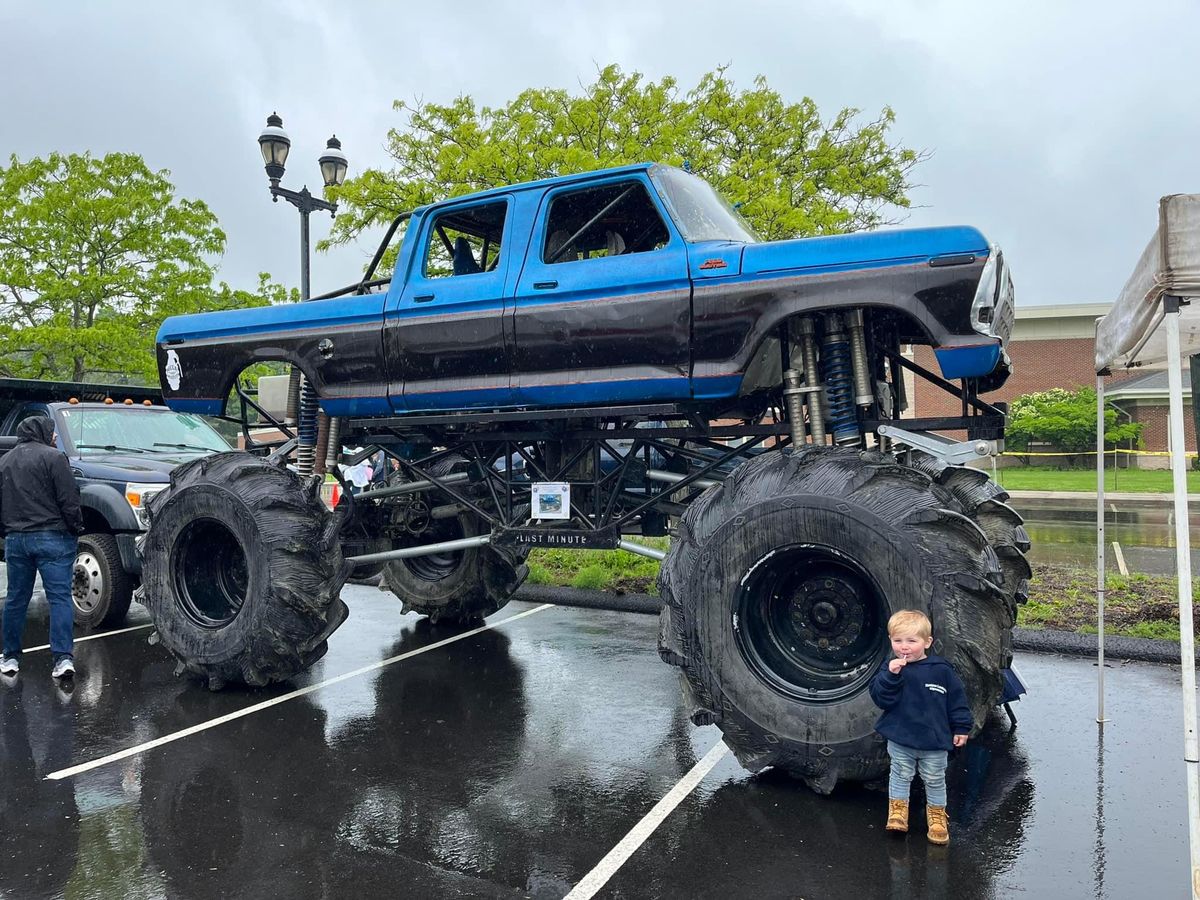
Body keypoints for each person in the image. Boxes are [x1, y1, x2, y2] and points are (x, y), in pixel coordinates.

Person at [868, 609, 972, 845]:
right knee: (900, 774)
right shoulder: (891, 668)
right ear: (891, 641)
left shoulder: (941, 671)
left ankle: (936, 817)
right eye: (898, 641)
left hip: (933, 741)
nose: (904, 647)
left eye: (912, 641)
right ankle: (897, 812)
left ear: (927, 642)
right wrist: (890, 677)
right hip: (901, 737)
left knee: (934, 778)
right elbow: (880, 698)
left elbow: (957, 702)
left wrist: (961, 728)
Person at [0, 417, 84, 679]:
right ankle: (62, 660)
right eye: (53, 432)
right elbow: (68, 499)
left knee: (16, 599)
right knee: (59, 598)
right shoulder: (55, 458)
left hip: (16, 539)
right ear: (43, 433)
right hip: (53, 537)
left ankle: (10, 657)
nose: (56, 437)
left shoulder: (5, 462)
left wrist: (6, 533)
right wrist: (75, 528)